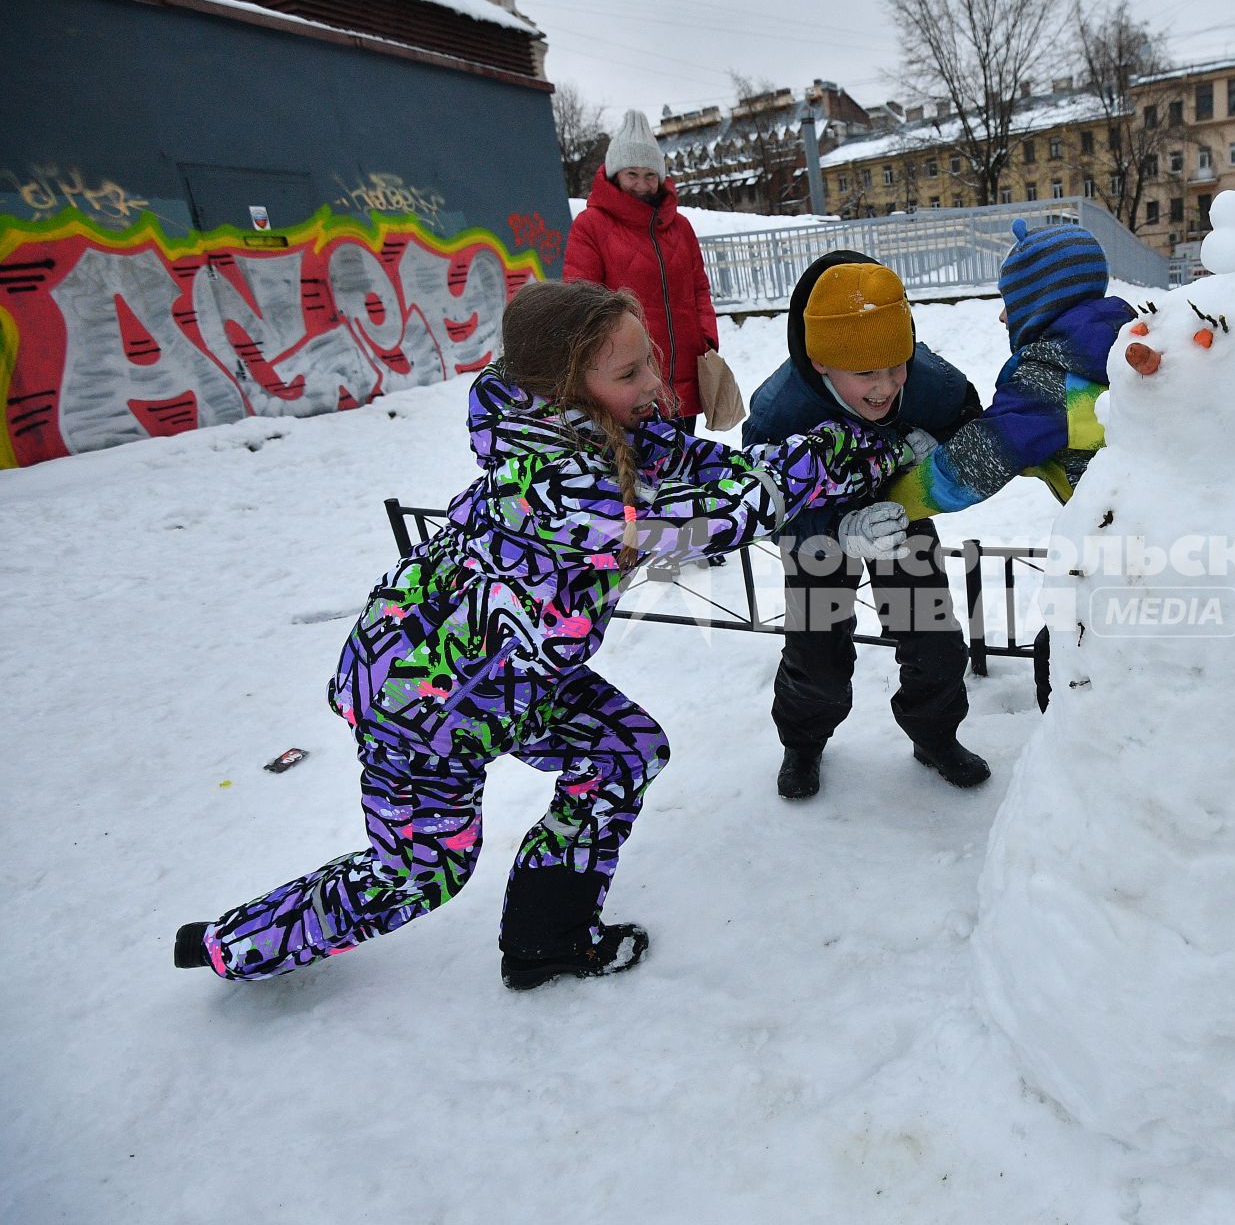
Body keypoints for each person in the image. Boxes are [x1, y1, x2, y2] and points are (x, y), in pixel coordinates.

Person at [172, 281, 912, 991]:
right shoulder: (551, 489)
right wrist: (873, 457)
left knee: (624, 751)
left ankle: (544, 942)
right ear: (566, 388)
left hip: (510, 674)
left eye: (648, 357)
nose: (656, 381)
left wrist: (866, 451)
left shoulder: (609, 429)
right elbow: (715, 515)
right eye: (631, 371)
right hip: (423, 705)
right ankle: (235, 945)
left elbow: (706, 468)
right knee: (422, 874)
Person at [743, 254, 990, 802]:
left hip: (900, 514)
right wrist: (835, 531)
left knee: (935, 640)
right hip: (819, 529)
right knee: (817, 653)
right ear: (822, 362)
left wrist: (936, 463)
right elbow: (764, 499)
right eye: (866, 374)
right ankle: (803, 741)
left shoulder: (927, 380)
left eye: (896, 366)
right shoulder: (781, 409)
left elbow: (973, 426)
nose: (886, 387)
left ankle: (934, 733)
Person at [884, 220, 1136, 711]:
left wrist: (892, 499)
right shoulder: (1128, 343)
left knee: (1064, 658)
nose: (1002, 316)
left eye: (1010, 298)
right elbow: (1060, 440)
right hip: (1179, 536)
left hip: (1122, 561)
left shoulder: (1051, 376)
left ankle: (1071, 755)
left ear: (1040, 301)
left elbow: (970, 470)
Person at [564, 109, 718, 430]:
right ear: (615, 174)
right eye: (632, 173)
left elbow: (699, 288)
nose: (642, 184)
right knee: (638, 471)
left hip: (685, 374)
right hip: (628, 378)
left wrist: (707, 339)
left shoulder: (680, 227)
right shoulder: (591, 226)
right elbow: (580, 303)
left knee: (682, 466)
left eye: (650, 175)